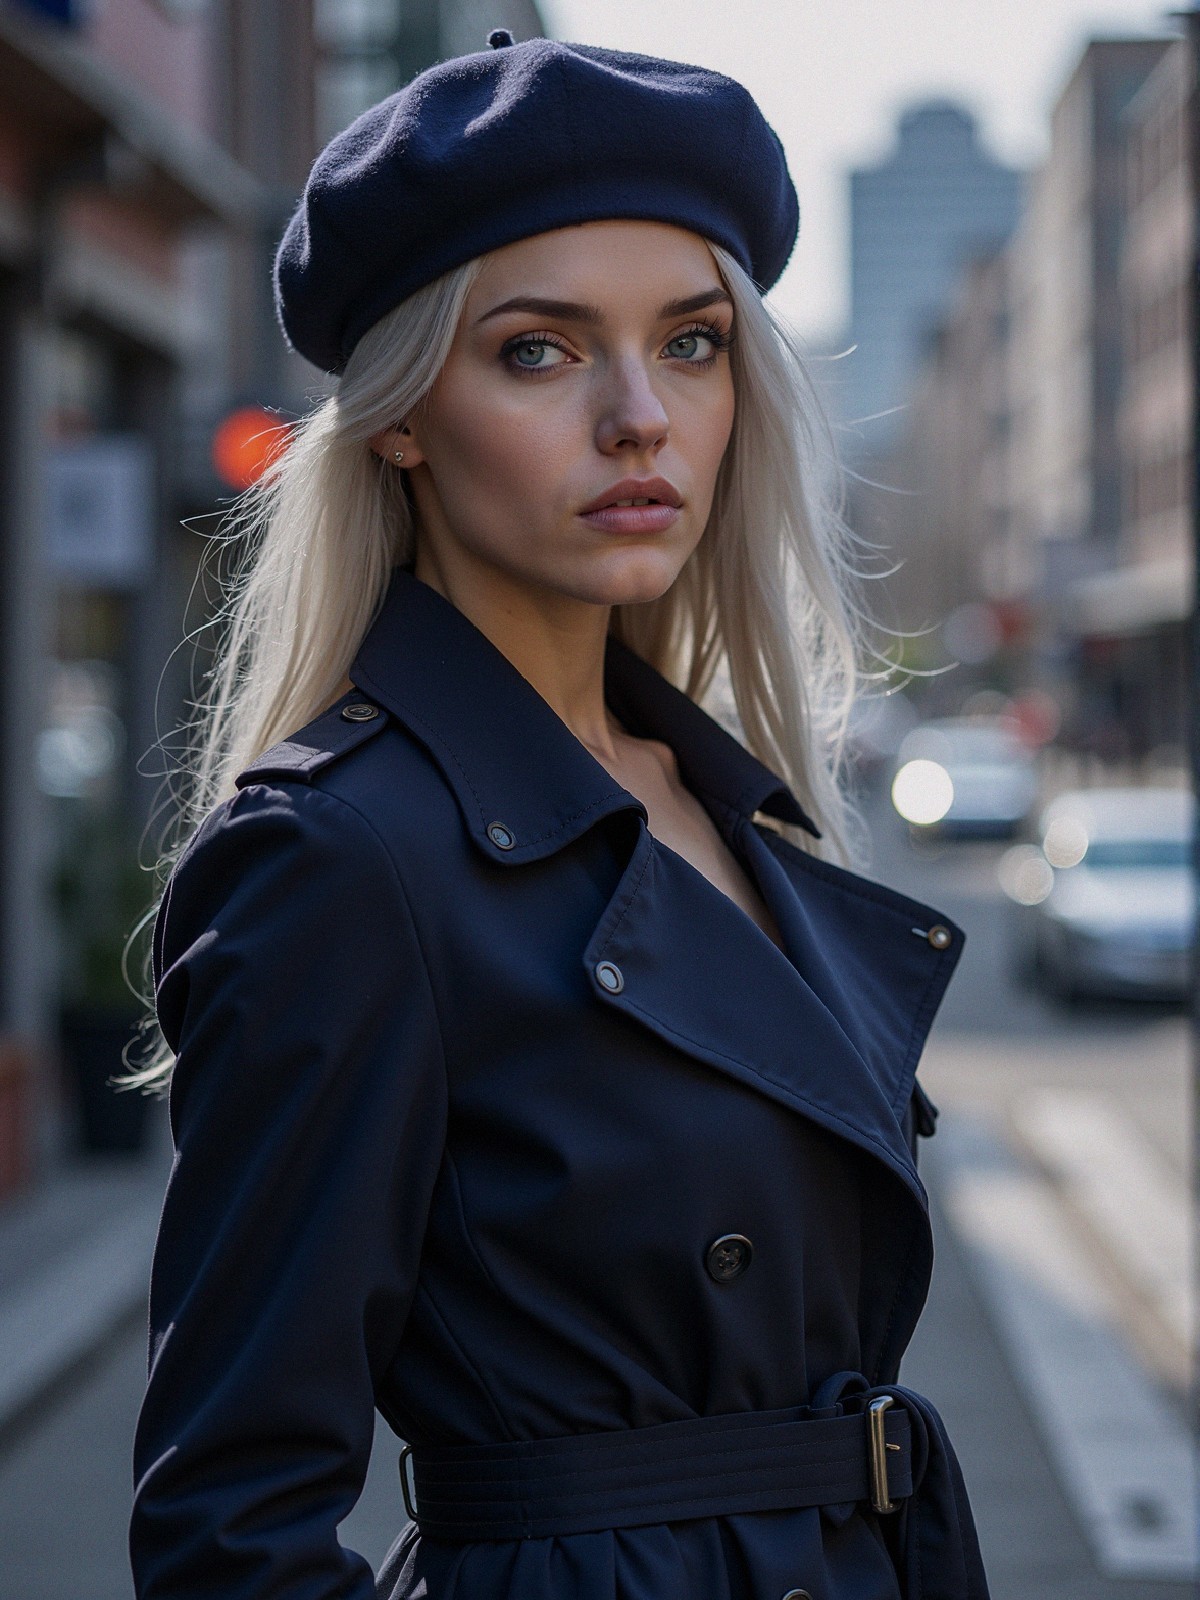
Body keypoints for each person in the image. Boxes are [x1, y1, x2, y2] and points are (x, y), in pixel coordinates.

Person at [126, 30, 990, 1600]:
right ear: (401, 415)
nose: (638, 416)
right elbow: (226, 1533)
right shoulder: (337, 859)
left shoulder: (725, 800)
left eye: (692, 343)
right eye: (538, 349)